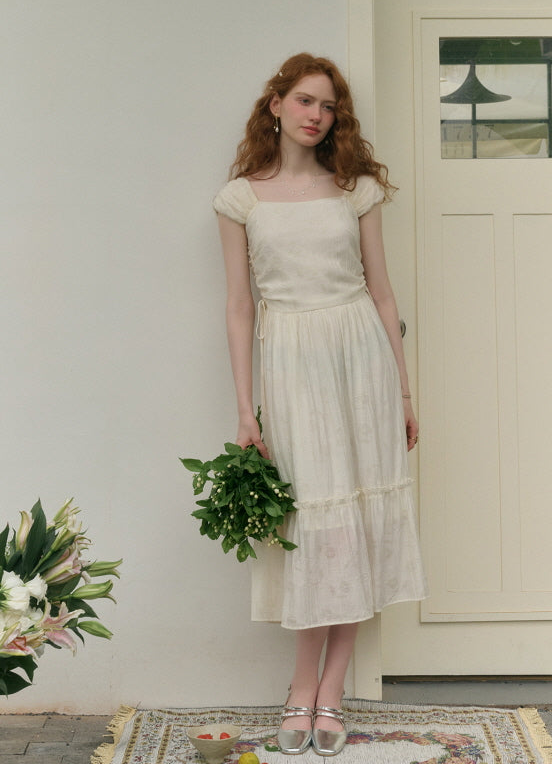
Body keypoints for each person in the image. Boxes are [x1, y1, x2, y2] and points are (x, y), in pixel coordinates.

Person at [213, 53, 428, 757]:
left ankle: (328, 692)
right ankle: (298, 688)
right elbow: (240, 308)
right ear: (274, 104)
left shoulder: (354, 189)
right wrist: (247, 410)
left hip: (359, 354)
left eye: (329, 105)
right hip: (291, 361)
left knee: (357, 522)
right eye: (304, 100)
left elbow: (384, 293)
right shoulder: (240, 199)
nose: (316, 114)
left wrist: (401, 388)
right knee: (312, 526)